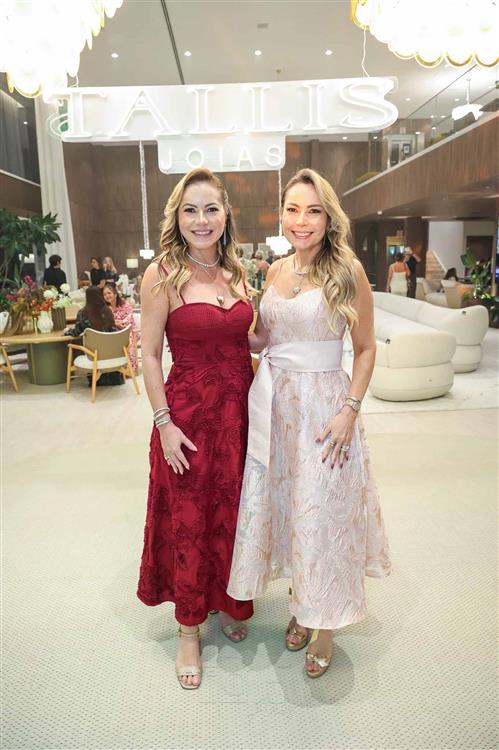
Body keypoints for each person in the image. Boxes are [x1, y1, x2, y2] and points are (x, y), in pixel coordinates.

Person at [227, 168, 391, 679]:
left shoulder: (348, 271)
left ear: (328, 217)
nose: (302, 220)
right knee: (293, 509)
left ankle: (324, 627)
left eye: (313, 210)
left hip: (324, 408)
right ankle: (302, 603)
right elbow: (264, 337)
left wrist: (350, 409)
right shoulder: (275, 269)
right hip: (276, 405)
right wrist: (221, 318)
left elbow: (365, 349)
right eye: (293, 209)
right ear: (282, 214)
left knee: (324, 514)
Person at [136, 167, 254, 690]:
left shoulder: (239, 271)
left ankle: (228, 599)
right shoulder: (162, 274)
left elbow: (249, 340)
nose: (201, 219)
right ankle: (188, 629)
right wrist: (163, 423)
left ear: (225, 214)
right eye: (190, 210)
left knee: (232, 513)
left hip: (240, 415)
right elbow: (149, 356)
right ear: (177, 217)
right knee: (189, 519)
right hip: (187, 419)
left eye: (210, 208)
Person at [64, 285, 123, 385]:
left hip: (93, 355)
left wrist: (66, 331)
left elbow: (76, 332)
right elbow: (113, 331)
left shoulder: (83, 313)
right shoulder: (107, 311)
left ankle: (96, 378)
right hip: (110, 354)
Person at [102, 282, 138, 371]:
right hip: (114, 332)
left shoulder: (125, 304)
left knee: (128, 339)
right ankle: (116, 368)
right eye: (105, 294)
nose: (107, 296)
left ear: (115, 294)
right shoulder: (105, 309)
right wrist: (116, 323)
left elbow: (129, 317)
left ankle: (130, 368)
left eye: (109, 293)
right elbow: (105, 321)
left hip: (128, 330)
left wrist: (119, 323)